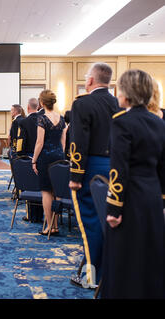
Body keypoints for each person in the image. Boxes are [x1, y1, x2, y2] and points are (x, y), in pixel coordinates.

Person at [101, 69, 165, 299]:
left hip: (130, 199)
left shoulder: (122, 122)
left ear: (126, 94)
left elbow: (119, 168)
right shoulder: (159, 123)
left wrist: (114, 208)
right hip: (153, 198)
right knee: (151, 257)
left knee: (125, 259)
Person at [68, 62, 120, 289]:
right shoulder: (119, 103)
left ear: (90, 81)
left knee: (91, 223)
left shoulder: (83, 103)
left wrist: (75, 175)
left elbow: (79, 141)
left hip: (91, 170)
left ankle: (92, 278)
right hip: (117, 169)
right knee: (110, 223)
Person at [31, 90, 66, 236]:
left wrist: (33, 160)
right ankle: (56, 225)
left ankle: (49, 226)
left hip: (45, 157)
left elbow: (39, 142)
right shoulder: (62, 118)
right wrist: (61, 155)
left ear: (42, 103)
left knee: (46, 192)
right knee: (57, 191)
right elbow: (63, 141)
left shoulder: (42, 119)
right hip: (59, 156)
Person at [16, 97, 43, 223]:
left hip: (29, 156)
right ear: (38, 107)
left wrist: (19, 155)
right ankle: (41, 215)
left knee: (30, 186)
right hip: (42, 156)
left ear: (27, 107)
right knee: (40, 186)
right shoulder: (43, 119)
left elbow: (21, 141)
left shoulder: (24, 122)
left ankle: (32, 215)